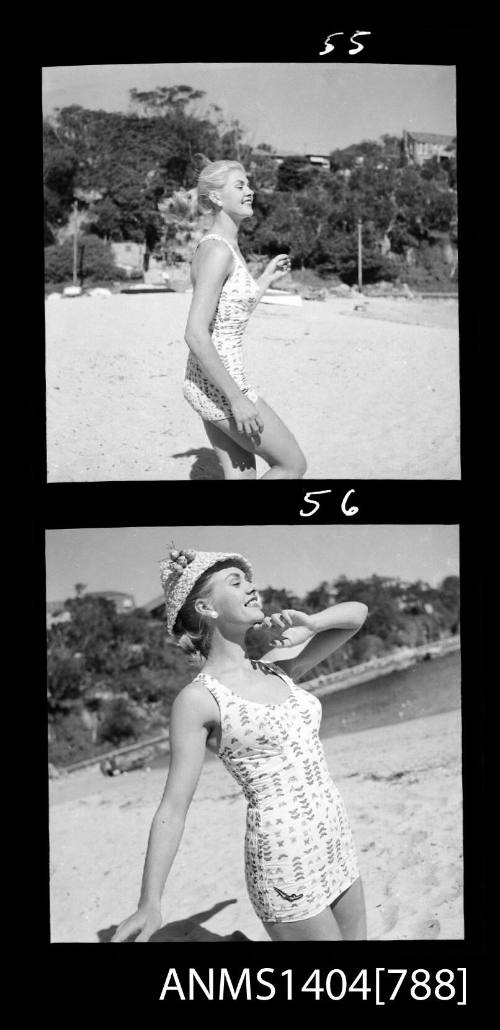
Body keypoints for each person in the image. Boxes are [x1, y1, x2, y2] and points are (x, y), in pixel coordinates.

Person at [112, 547, 368, 943]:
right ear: (206, 607)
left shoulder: (276, 665)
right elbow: (173, 808)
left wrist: (310, 624)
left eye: (248, 580)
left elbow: (357, 615)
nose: (252, 588)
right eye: (236, 582)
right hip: (284, 859)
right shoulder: (198, 700)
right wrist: (150, 901)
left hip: (335, 837)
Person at [183, 158, 307, 480]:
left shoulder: (225, 246)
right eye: (240, 186)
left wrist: (264, 279)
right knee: (292, 465)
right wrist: (237, 399)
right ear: (215, 197)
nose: (250, 191)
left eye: (249, 184)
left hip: (207, 380)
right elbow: (196, 333)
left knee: (243, 480)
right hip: (223, 384)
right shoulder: (218, 251)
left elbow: (228, 315)